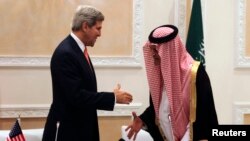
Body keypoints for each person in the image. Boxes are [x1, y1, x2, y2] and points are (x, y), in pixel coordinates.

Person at [42, 5, 133, 141]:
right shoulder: (66, 53)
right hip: (68, 131)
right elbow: (76, 96)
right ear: (85, 26)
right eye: (98, 28)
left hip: (82, 128)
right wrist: (113, 98)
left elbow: (84, 90)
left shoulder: (77, 50)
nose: (100, 34)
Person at [125, 25, 218, 141]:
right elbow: (161, 108)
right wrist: (143, 119)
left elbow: (203, 114)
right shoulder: (160, 76)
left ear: (169, 50)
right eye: (152, 49)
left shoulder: (195, 74)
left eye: (156, 49)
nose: (153, 54)